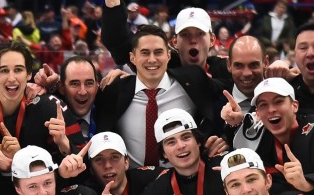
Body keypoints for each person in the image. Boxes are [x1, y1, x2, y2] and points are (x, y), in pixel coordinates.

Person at [0, 43, 83, 195]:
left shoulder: (50, 107)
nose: (12, 78)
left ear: (29, 74)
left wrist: (64, 144)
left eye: (18, 70)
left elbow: (83, 161)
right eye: (4, 70)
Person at [93, 25, 222, 167]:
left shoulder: (193, 79)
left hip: (182, 178)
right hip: (132, 179)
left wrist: (226, 136)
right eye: (145, 53)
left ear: (168, 55)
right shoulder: (114, 91)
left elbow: (228, 89)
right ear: (133, 57)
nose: (152, 59)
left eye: (158, 52)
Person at [100, 0, 229, 81]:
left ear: (212, 39)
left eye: (200, 33)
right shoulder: (160, 66)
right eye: (185, 34)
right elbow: (118, 41)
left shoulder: (229, 70)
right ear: (174, 42)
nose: (193, 40)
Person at [223, 78, 314, 195]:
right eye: (263, 105)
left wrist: (309, 183)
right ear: (257, 113)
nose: (271, 109)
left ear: (294, 106)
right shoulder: (258, 140)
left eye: (278, 102)